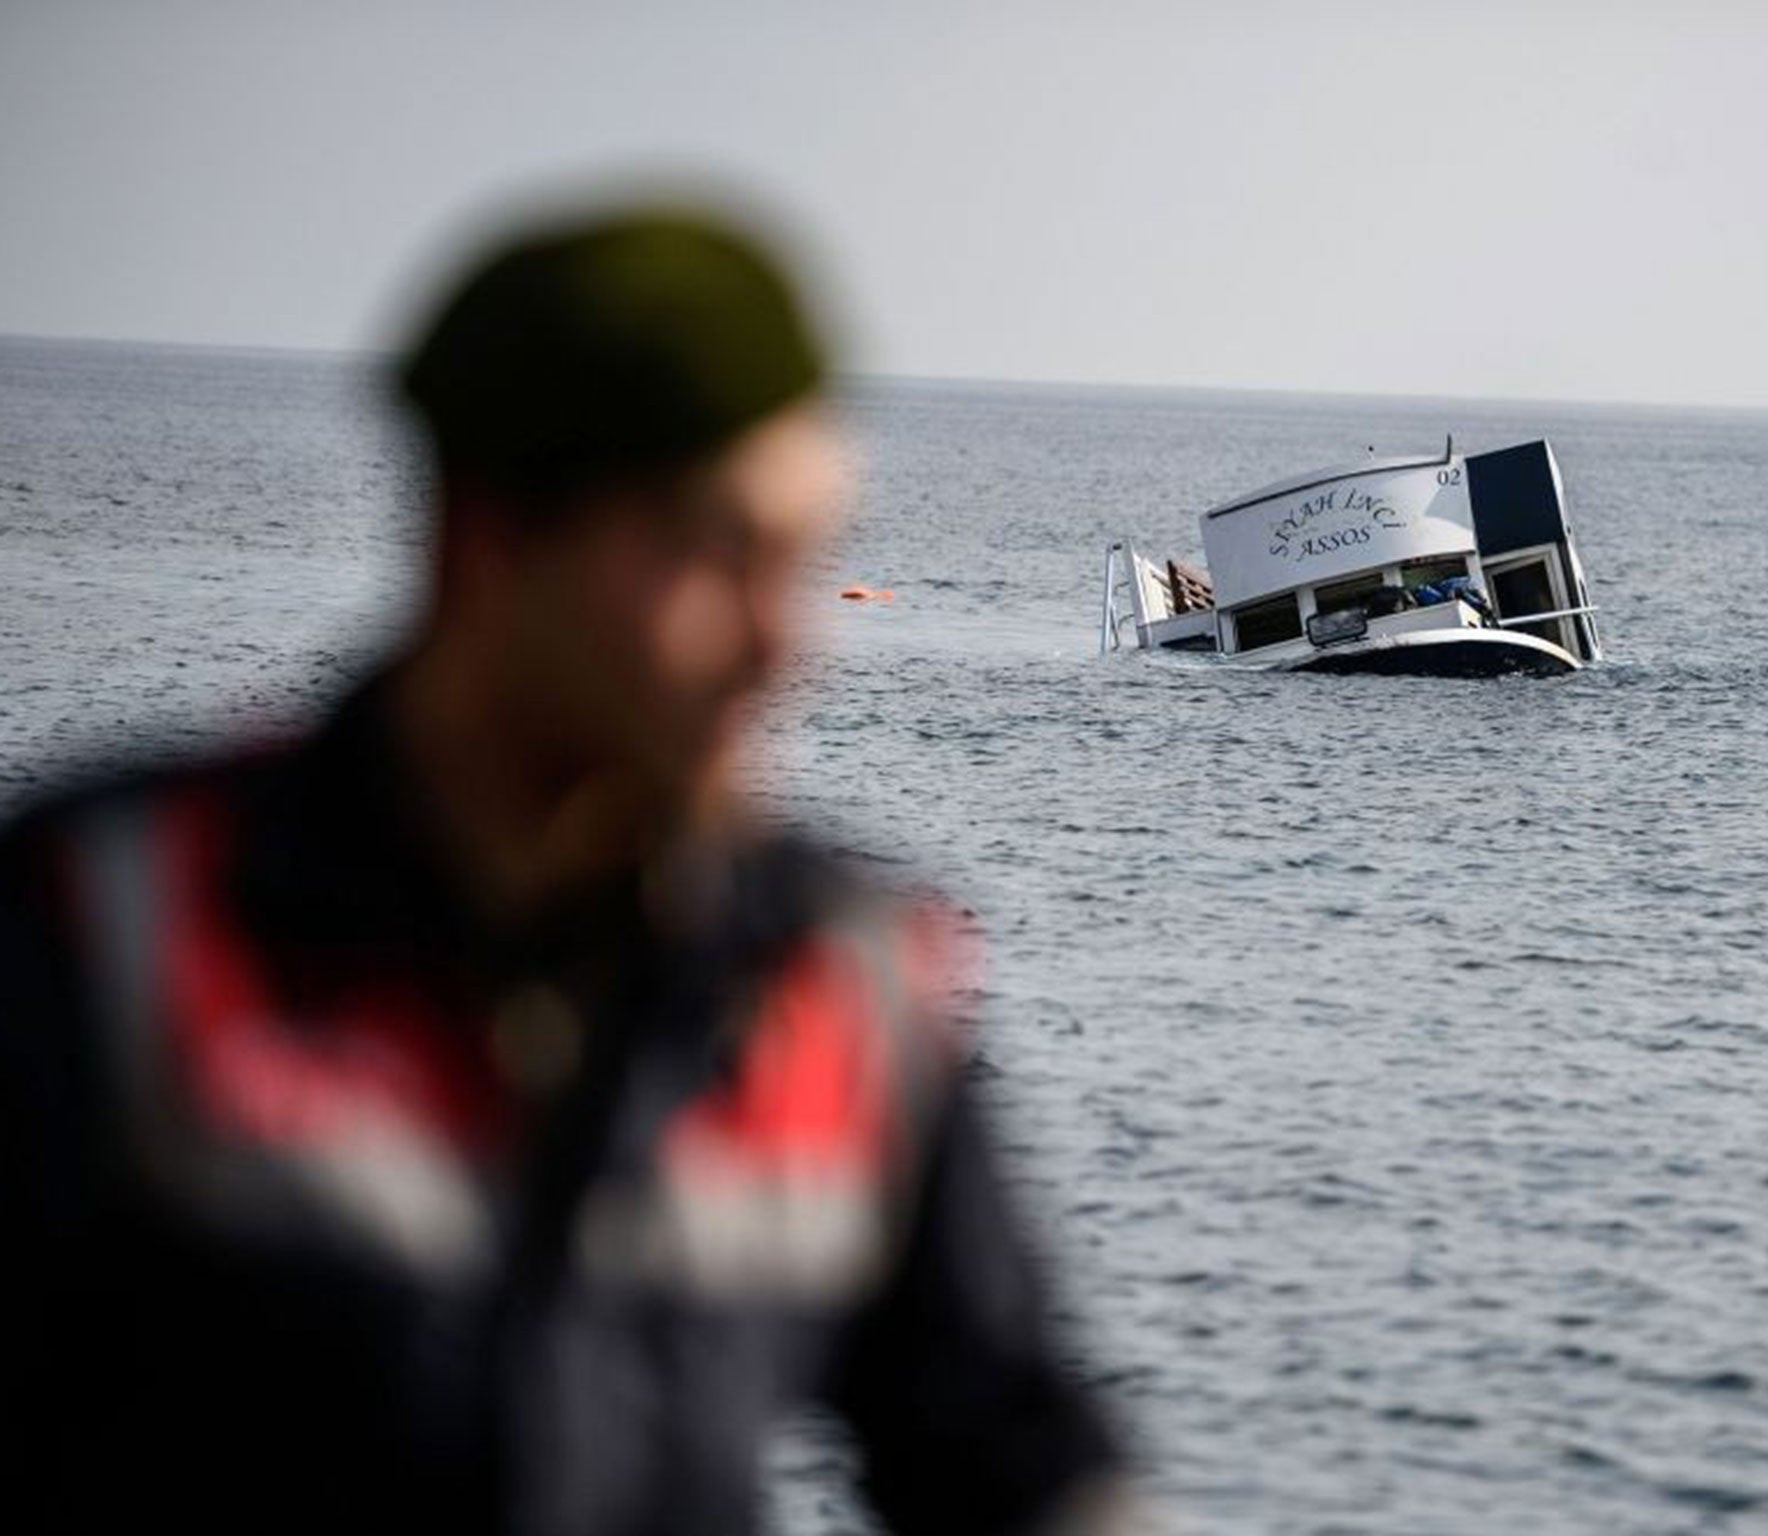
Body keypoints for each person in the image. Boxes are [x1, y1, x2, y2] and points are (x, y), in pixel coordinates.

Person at [0, 205, 1139, 1534]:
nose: (785, 643)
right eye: (721, 557)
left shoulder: (843, 986)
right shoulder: (120, 924)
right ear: (487, 545)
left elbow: (1020, 1463)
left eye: (805, 560)